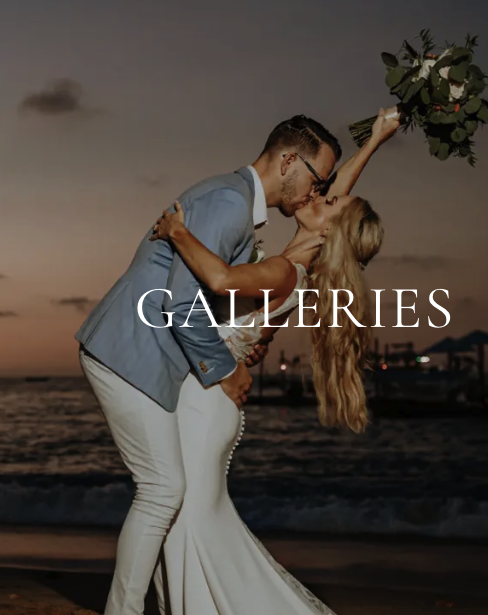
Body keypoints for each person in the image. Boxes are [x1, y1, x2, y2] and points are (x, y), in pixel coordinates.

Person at [74, 115, 342, 615]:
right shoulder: (229, 203)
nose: (315, 191)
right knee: (163, 489)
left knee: (166, 492)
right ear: (288, 161)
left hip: (150, 354)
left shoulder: (237, 203)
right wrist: (226, 368)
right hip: (130, 350)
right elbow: (179, 304)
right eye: (315, 178)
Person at [146, 108, 400, 614]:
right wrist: (374, 142)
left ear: (329, 231)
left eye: (327, 200)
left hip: (207, 397)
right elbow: (336, 205)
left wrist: (177, 231)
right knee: (194, 523)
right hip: (210, 397)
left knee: (186, 524)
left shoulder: (285, 270)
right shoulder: (298, 265)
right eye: (323, 190)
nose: (319, 196)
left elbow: (218, 280)